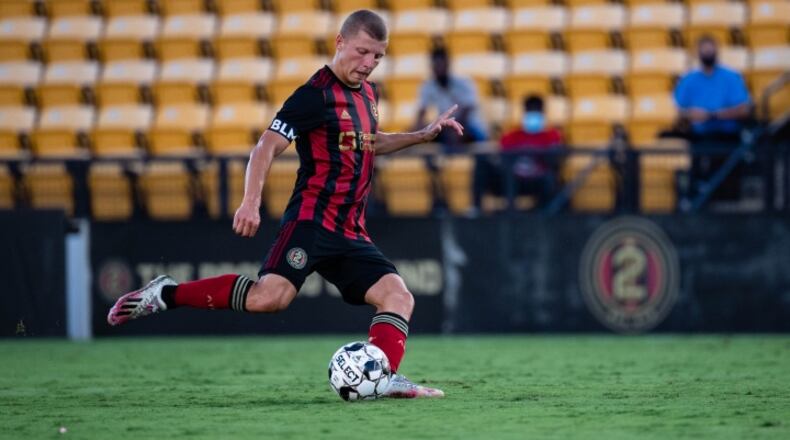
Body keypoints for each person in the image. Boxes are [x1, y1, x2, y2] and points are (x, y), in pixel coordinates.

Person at [107, 10, 462, 399]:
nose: (368, 64)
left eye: (378, 56)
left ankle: (384, 375)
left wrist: (422, 136)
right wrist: (250, 201)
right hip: (310, 222)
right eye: (362, 52)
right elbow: (266, 146)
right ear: (340, 42)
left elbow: (369, 142)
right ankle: (166, 294)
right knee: (269, 298)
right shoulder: (314, 95)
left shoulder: (368, 94)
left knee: (398, 296)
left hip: (350, 229)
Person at [673, 35, 752, 200]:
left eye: (711, 49)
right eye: (704, 49)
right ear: (697, 53)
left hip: (727, 135)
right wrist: (690, 114)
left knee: (727, 174)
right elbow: (680, 109)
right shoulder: (689, 79)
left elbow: (744, 109)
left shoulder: (730, 77)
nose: (707, 53)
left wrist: (713, 115)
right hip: (699, 137)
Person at [472, 95, 563, 212]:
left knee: (549, 179)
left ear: (542, 112)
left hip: (536, 181)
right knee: (482, 161)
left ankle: (546, 214)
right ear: (525, 112)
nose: (533, 114)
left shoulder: (551, 136)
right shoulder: (512, 136)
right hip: (511, 179)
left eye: (536, 111)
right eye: (530, 110)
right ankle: (476, 209)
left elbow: (554, 161)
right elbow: (502, 159)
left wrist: (538, 155)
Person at [414, 47, 487, 153]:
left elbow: (467, 111)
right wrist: (417, 134)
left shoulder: (464, 83)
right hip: (446, 127)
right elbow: (421, 113)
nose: (438, 69)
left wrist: (454, 130)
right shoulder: (428, 86)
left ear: (448, 64)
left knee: (457, 134)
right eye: (436, 65)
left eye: (441, 64)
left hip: (470, 126)